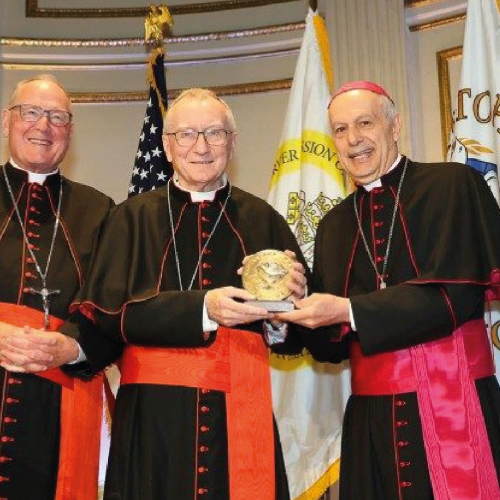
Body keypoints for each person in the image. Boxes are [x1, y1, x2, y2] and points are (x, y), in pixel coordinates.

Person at [55, 88, 307, 500]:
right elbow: (107, 316)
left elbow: (298, 334)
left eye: (215, 133)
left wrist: (283, 317)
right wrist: (204, 309)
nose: (201, 147)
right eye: (187, 134)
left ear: (233, 142)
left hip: (239, 415)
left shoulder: (263, 218)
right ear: (168, 146)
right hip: (154, 419)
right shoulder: (130, 218)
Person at [278, 80, 500, 500]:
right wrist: (290, 306)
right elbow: (329, 348)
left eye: (365, 123)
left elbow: (454, 297)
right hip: (372, 421)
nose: (353, 139)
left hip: (457, 399)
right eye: (340, 129)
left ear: (395, 126)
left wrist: (348, 311)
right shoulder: (334, 225)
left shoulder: (452, 185)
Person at [0, 75, 114, 500]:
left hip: (59, 399)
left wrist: (74, 346)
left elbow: (115, 309)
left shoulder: (100, 210)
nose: (43, 126)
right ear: (6, 121)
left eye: (57, 117)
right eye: (30, 112)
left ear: (70, 130)